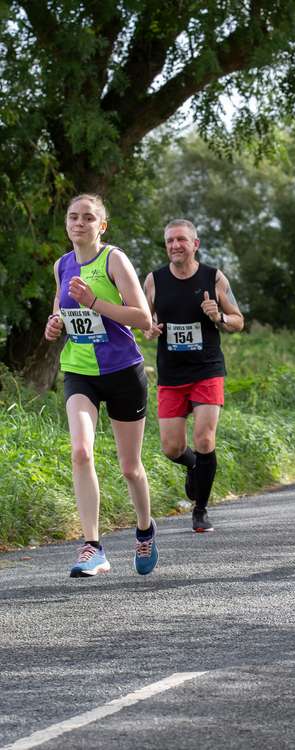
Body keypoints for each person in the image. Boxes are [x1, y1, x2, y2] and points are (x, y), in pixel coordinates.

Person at [45, 193, 159, 578]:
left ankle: (145, 529)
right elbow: (61, 309)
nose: (79, 223)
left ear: (101, 225)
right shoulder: (62, 265)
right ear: (66, 224)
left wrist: (94, 301)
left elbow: (142, 317)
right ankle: (92, 547)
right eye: (73, 217)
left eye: (88, 218)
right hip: (80, 370)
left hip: (123, 370)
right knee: (80, 450)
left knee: (130, 468)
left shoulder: (114, 259)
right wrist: (54, 323)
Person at [143, 219, 244, 532]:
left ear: (195, 244)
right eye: (170, 240)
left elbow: (238, 321)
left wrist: (220, 316)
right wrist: (148, 327)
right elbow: (143, 317)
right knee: (172, 448)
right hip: (171, 373)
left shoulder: (213, 278)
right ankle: (194, 466)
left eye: (182, 240)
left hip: (206, 369)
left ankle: (200, 509)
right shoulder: (154, 279)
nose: (175, 245)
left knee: (204, 437)